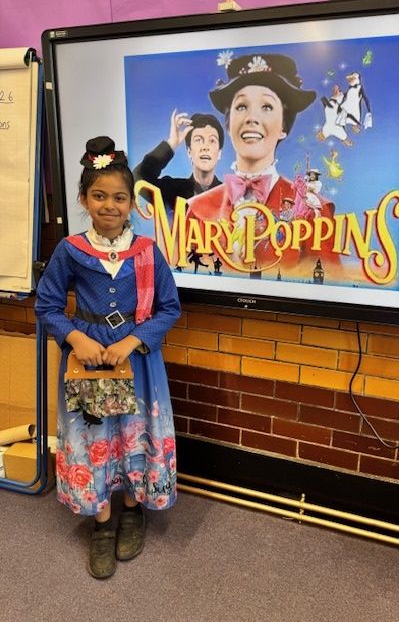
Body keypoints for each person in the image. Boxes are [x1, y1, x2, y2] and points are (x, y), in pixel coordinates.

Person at [35, 136, 181, 580]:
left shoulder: (147, 251)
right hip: (89, 360)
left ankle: (132, 510)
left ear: (132, 202)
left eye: (120, 197)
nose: (110, 205)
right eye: (99, 196)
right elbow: (47, 305)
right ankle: (101, 521)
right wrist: (74, 336)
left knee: (134, 432)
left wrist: (133, 341)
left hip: (137, 362)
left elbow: (169, 308)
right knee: (95, 435)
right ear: (84, 199)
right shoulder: (71, 250)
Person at [185, 52, 341, 277]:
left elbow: (328, 285)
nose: (252, 118)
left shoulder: (313, 210)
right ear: (228, 124)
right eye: (241, 106)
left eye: (266, 107)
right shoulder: (198, 209)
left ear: (283, 126)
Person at [133, 109, 224, 211]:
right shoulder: (172, 191)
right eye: (198, 140)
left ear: (219, 153)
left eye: (212, 140)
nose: (205, 147)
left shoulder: (231, 196)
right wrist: (172, 143)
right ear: (189, 151)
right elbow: (138, 179)